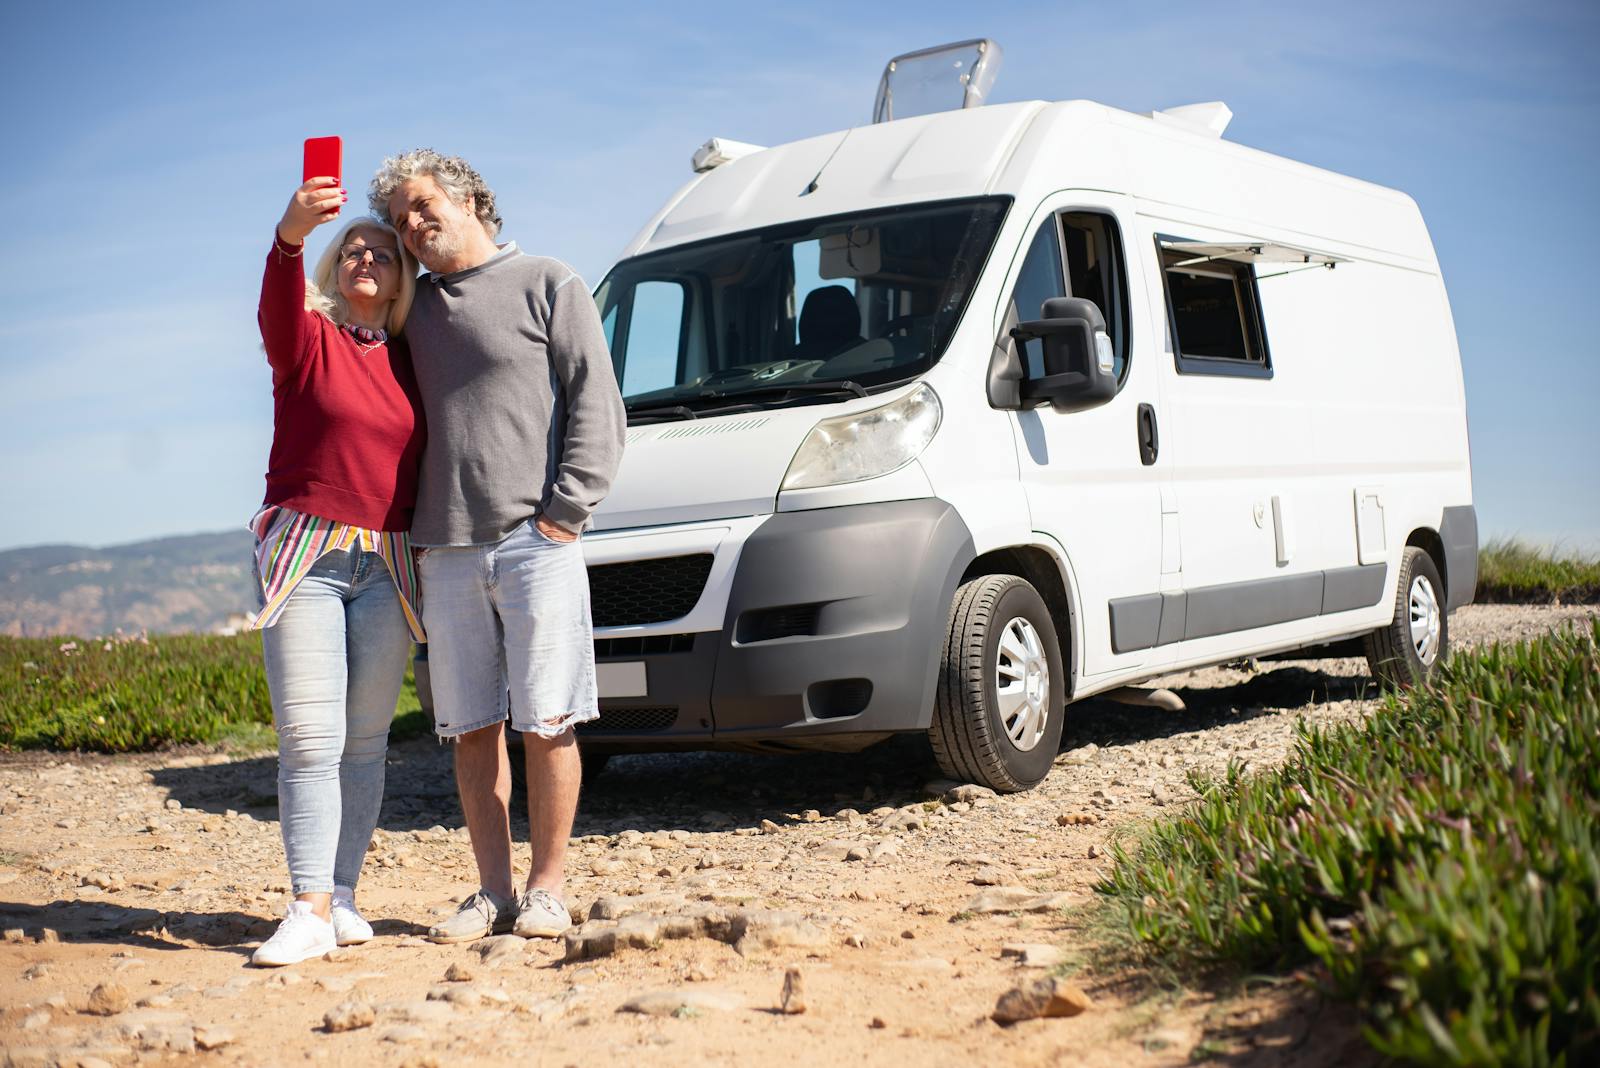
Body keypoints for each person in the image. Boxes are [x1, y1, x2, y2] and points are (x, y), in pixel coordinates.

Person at [367, 149, 625, 942]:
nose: (412, 226)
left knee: (548, 720)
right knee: (472, 728)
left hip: (534, 541)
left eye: (421, 206)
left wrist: (565, 512)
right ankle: (492, 892)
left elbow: (597, 404)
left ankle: (547, 891)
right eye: (401, 219)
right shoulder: (414, 310)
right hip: (443, 549)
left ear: (468, 196)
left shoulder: (551, 281)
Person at [247, 176, 426, 966]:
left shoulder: (417, 360)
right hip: (309, 556)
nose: (365, 257)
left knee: (364, 742)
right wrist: (290, 236)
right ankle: (307, 906)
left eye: (382, 253)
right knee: (310, 740)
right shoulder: (308, 340)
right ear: (334, 268)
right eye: (352, 248)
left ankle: (343, 895)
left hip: (390, 561)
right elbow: (276, 308)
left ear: (400, 278)